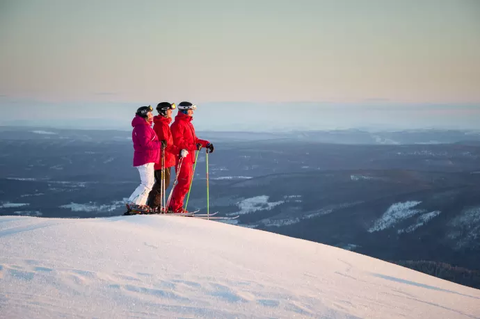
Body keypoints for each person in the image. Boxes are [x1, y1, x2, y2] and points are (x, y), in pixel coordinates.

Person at [168, 101, 214, 213]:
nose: (192, 112)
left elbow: (193, 140)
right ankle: (175, 208)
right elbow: (179, 143)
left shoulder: (188, 124)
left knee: (185, 183)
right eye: (191, 110)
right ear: (185, 110)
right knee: (184, 183)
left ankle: (174, 206)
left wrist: (206, 143)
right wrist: (194, 146)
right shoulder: (178, 125)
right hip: (183, 158)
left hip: (189, 158)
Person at [126, 105, 160, 213]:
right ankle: (136, 203)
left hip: (146, 158)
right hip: (146, 158)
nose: (152, 116)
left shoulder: (142, 127)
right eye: (150, 114)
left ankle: (137, 203)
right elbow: (146, 144)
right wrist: (159, 144)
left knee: (147, 183)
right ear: (145, 114)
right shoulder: (143, 128)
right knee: (147, 184)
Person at [146, 102, 179, 212]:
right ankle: (153, 206)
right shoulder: (161, 125)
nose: (171, 112)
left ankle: (156, 205)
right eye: (169, 110)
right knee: (162, 183)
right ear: (164, 111)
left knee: (163, 183)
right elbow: (166, 144)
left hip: (166, 158)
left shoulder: (164, 124)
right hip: (162, 159)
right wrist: (178, 150)